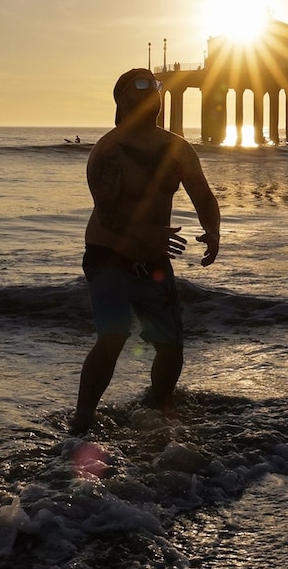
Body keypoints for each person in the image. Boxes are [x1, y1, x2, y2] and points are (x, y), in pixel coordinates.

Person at [71, 68, 221, 435]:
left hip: (154, 259)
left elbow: (202, 193)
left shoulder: (177, 148)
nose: (153, 94)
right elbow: (108, 214)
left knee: (170, 345)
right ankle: (83, 419)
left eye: (156, 88)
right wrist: (148, 234)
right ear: (122, 99)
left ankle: (158, 410)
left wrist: (213, 229)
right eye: (142, 88)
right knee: (113, 337)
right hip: (109, 256)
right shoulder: (108, 151)